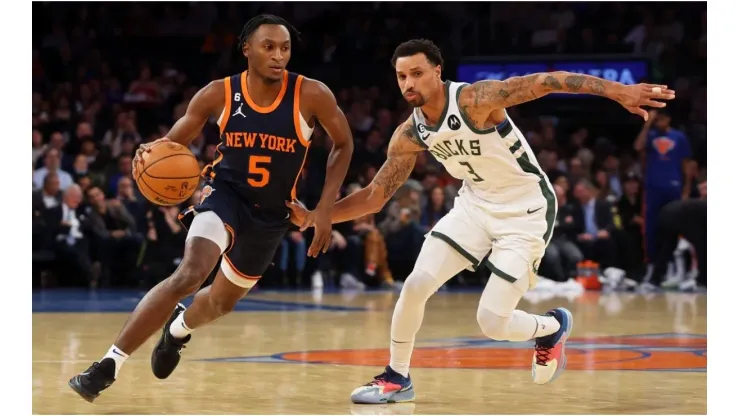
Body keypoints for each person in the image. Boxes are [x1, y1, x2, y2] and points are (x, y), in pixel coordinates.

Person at [288, 39, 674, 403]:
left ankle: (552, 327)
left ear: (438, 72)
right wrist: (315, 216)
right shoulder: (409, 133)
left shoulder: (475, 99)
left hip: (526, 210)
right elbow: (375, 196)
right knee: (416, 284)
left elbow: (545, 82)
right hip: (474, 206)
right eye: (402, 76)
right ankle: (397, 377)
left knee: (492, 321)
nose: (409, 83)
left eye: (417, 73)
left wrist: (617, 92)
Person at [68, 14, 353, 402]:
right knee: (189, 274)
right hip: (223, 196)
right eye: (268, 46)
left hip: (272, 215)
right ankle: (107, 365)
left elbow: (343, 143)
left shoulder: (311, 93)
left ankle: (177, 330)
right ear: (246, 49)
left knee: (220, 302)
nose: (278, 56)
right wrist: (151, 153)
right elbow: (171, 145)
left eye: (285, 48)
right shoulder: (218, 93)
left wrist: (323, 209)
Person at [633, 108, 695, 286]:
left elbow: (687, 166)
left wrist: (686, 190)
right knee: (651, 230)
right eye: (656, 118)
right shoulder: (650, 135)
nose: (658, 120)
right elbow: (637, 146)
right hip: (653, 189)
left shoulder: (679, 137)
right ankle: (652, 268)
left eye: (661, 117)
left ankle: (672, 269)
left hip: (673, 189)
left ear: (668, 118)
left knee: (674, 229)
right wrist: (647, 124)